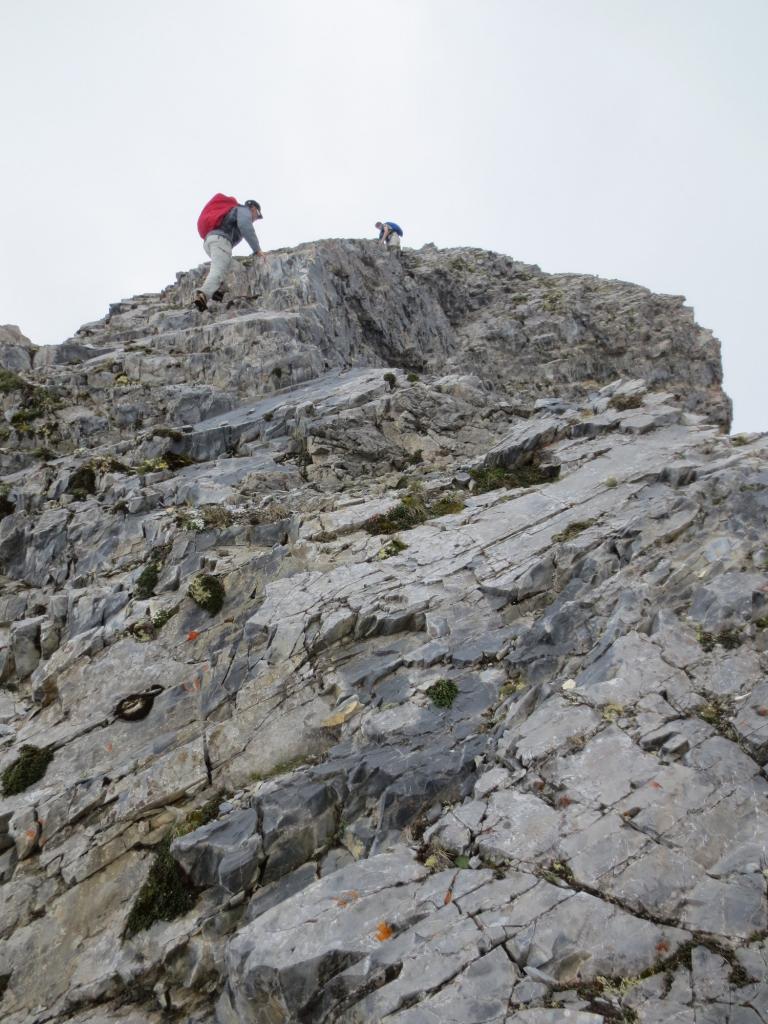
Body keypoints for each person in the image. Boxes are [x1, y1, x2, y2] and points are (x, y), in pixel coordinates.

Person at [194, 200, 266, 311]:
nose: (256, 219)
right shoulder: (243, 210)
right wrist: (257, 250)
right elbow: (245, 226)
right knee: (218, 270)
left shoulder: (235, 210)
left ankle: (219, 292)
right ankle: (203, 295)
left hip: (212, 241)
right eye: (257, 215)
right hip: (220, 241)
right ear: (253, 209)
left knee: (238, 269)